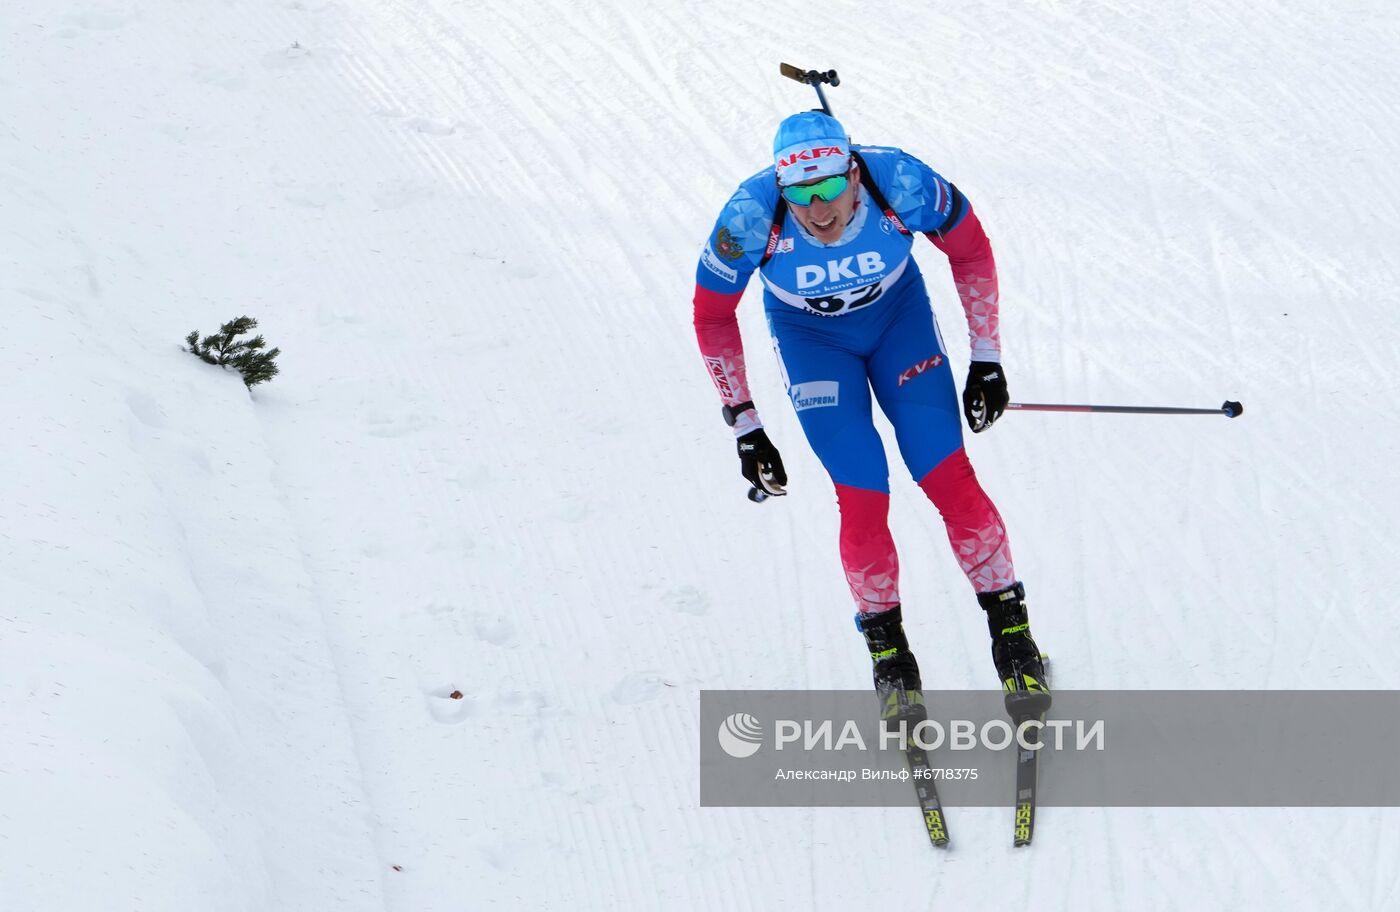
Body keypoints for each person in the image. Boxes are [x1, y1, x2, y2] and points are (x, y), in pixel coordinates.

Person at [692, 110, 1049, 721]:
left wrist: (986, 359)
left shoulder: (901, 181)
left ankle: (1012, 634)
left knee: (949, 480)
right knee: (863, 495)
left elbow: (971, 249)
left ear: (854, 174)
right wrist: (745, 424)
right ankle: (890, 654)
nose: (818, 209)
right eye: (801, 196)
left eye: (829, 188)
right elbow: (712, 316)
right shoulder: (750, 216)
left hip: (898, 326)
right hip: (812, 344)